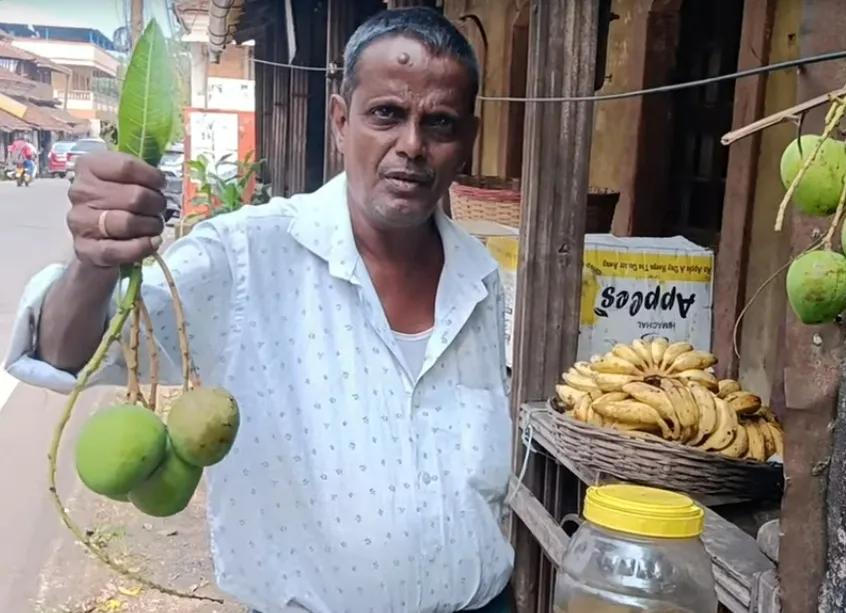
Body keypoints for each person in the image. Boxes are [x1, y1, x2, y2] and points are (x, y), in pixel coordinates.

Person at [4, 8, 513, 613]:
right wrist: (94, 261)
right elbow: (68, 352)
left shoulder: (480, 279)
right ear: (340, 120)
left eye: (441, 123)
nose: (412, 145)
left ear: (467, 142)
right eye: (386, 114)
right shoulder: (246, 257)